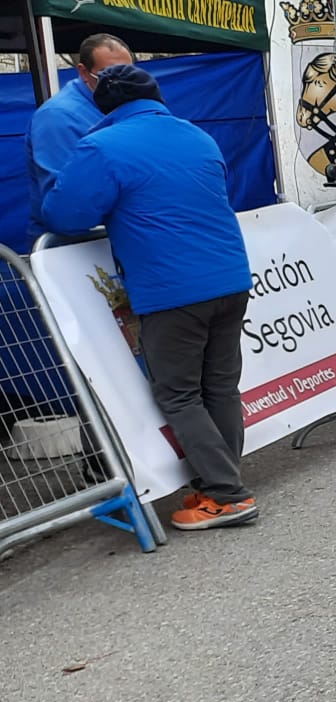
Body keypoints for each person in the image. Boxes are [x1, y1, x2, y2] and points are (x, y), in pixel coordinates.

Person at [40, 64, 258, 530]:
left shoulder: (102, 146)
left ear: (105, 105)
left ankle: (227, 494)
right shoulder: (197, 136)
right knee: (219, 386)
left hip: (171, 288)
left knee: (178, 395)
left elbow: (65, 214)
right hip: (230, 278)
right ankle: (221, 483)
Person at [26, 33, 133, 235]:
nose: (121, 82)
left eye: (127, 72)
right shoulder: (57, 118)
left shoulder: (122, 106)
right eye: (107, 74)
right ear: (83, 72)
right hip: (72, 247)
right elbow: (65, 202)